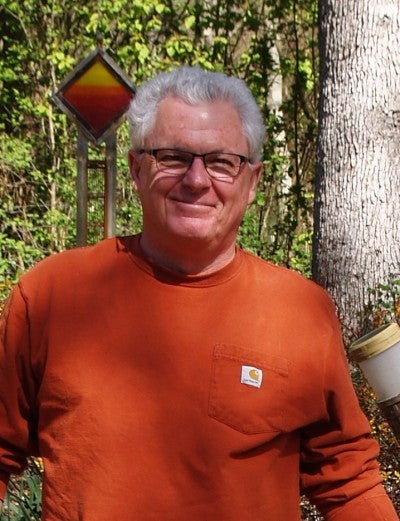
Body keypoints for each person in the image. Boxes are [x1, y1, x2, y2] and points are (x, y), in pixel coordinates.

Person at [0, 66, 398, 521]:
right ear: (135, 169)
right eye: (172, 156)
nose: (195, 179)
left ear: (252, 182)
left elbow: (347, 480)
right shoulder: (54, 295)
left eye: (221, 162)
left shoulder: (300, 310)